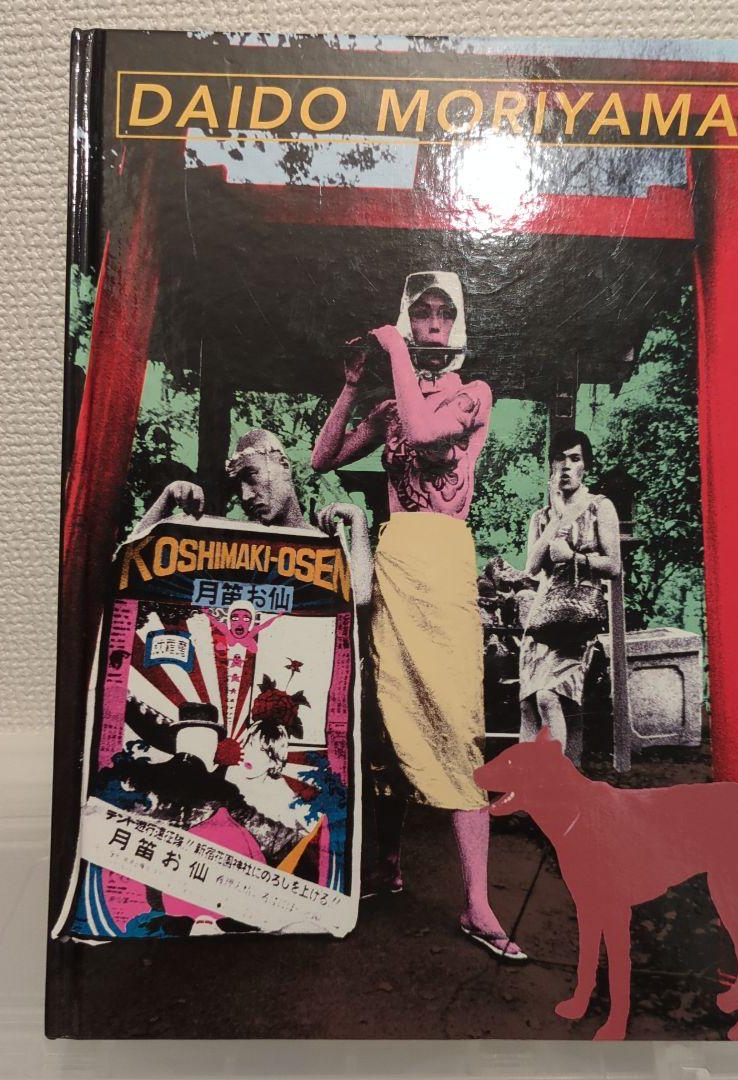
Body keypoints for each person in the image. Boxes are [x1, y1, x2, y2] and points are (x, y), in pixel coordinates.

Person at [310, 271, 525, 961]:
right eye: (421, 312)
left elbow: (431, 435)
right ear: (410, 318)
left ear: (455, 325)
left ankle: (477, 903)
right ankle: (388, 866)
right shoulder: (388, 404)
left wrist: (395, 353)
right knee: (389, 713)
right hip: (397, 554)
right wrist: (351, 387)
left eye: (443, 313)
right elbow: (321, 459)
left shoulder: (473, 393)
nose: (432, 322)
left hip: (444, 556)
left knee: (455, 720)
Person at [134, 427, 372, 606]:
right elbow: (132, 565)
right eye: (238, 486)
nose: (246, 495)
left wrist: (358, 518)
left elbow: (359, 597)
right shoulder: (236, 545)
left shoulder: (322, 544)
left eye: (251, 476)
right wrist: (167, 498)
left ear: (283, 465)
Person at [519, 430, 622, 767]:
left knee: (551, 696)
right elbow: (532, 567)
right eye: (559, 459)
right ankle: (537, 782)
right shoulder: (541, 517)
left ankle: (554, 782)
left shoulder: (600, 507)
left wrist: (575, 557)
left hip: (578, 618)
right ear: (550, 466)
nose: (566, 466)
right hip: (543, 618)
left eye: (574, 459)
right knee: (530, 704)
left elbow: (614, 566)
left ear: (585, 466)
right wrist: (557, 517)